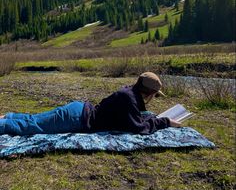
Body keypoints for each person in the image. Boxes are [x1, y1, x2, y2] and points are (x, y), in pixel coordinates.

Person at [0, 72, 181, 136]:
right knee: (33, 126)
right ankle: (3, 123)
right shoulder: (129, 99)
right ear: (149, 93)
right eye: (155, 96)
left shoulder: (129, 93)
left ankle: (6, 117)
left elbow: (136, 117)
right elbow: (137, 127)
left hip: (77, 111)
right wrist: (165, 122)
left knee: (35, 120)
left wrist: (154, 118)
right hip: (75, 118)